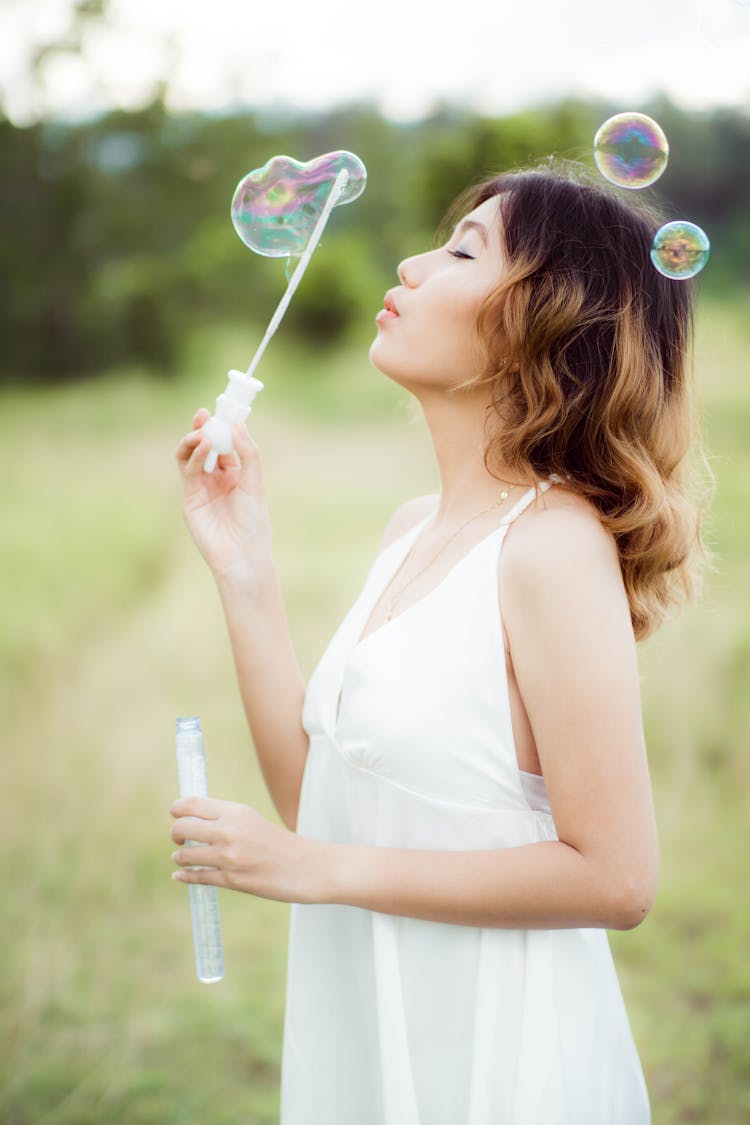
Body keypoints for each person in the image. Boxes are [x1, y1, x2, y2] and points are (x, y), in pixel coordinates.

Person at [171, 161, 707, 1124]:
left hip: (488, 1053)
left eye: (464, 249)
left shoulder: (553, 547)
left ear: (548, 316)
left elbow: (617, 876)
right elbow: (324, 803)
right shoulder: (413, 527)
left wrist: (321, 871)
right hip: (373, 1020)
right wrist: (244, 563)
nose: (415, 265)